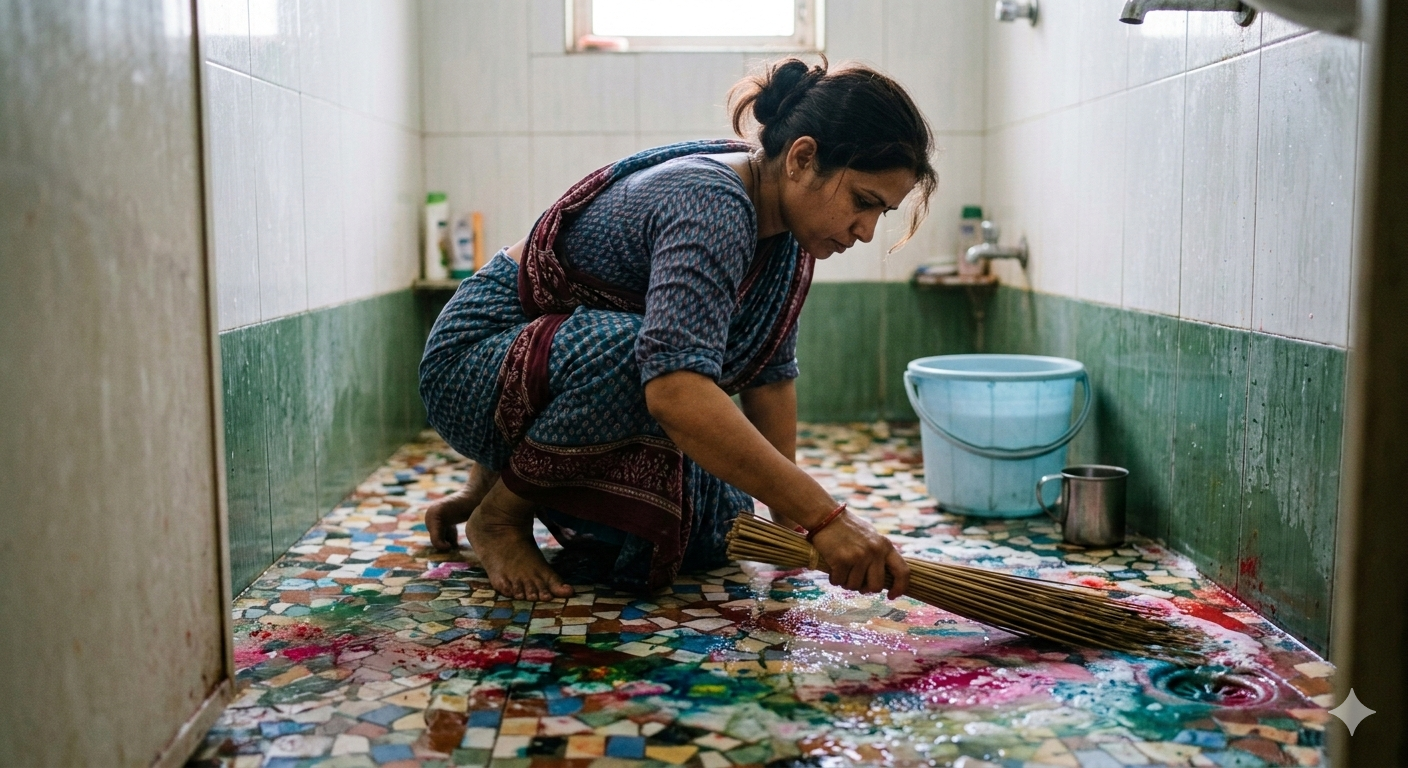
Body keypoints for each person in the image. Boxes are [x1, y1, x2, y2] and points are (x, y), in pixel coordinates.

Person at [419, 58, 937, 603]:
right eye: (863, 202)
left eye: (882, 213)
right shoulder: (711, 201)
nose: (866, 231)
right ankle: (500, 516)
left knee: (716, 523)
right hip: (471, 362)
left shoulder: (787, 235)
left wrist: (794, 524)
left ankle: (498, 484)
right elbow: (674, 391)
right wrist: (829, 517)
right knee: (632, 353)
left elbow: (771, 378)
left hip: (545, 366)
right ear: (802, 159)